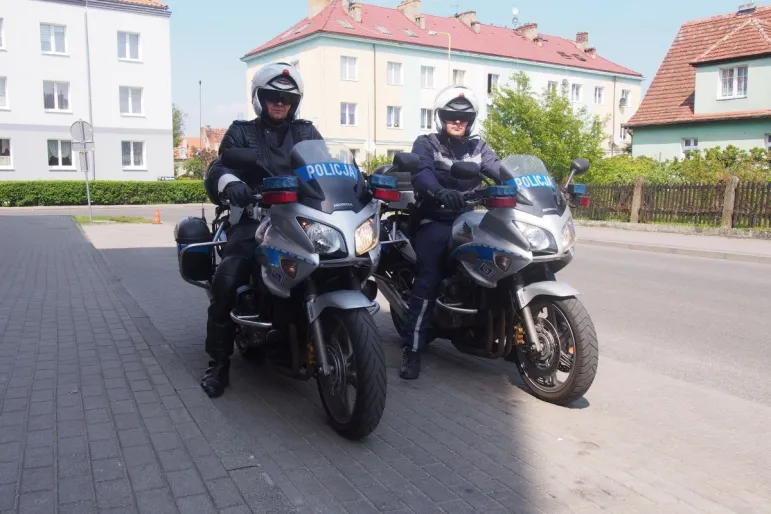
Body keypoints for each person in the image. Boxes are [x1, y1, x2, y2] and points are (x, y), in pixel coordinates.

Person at [200, 62, 323, 398]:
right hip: (255, 219)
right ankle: (219, 363)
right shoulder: (242, 132)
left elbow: (328, 166)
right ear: (260, 98)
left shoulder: (306, 132)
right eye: (272, 96)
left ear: (294, 102)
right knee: (228, 279)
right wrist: (231, 184)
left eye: (286, 98)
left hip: (304, 220)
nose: (279, 102)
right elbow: (219, 166)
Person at [400, 85, 504, 380]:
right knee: (429, 276)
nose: (457, 122)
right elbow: (421, 173)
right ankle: (413, 349)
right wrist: (439, 191)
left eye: (463, 117)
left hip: (471, 219)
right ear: (440, 117)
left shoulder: (479, 148)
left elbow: (499, 169)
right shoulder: (427, 143)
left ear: (471, 120)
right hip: (435, 218)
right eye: (450, 116)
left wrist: (521, 184)